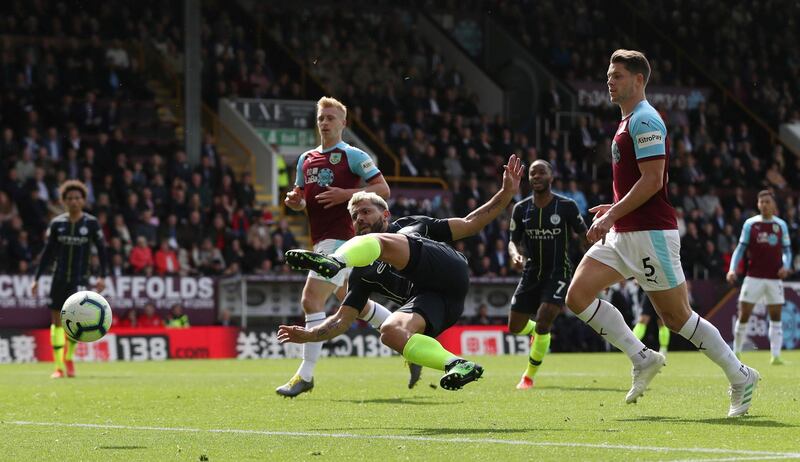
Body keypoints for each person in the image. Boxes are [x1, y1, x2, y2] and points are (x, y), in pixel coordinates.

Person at [564, 50, 759, 417]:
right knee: (577, 296)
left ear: (639, 80)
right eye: (608, 75)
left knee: (677, 318)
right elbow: (639, 182)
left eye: (617, 75)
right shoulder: (626, 121)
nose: (610, 81)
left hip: (651, 233)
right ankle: (642, 357)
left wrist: (612, 215)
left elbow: (654, 181)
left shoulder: (646, 119)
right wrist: (614, 208)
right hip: (625, 232)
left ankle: (741, 375)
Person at [278, 155, 524, 391]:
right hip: (438, 303)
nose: (359, 219)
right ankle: (457, 365)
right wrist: (308, 335)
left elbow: (471, 224)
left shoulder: (413, 224)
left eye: (366, 212)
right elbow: (343, 319)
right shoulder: (361, 273)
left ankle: (333, 261)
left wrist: (506, 194)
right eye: (354, 216)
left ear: (385, 214)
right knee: (390, 331)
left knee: (382, 242)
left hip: (449, 270)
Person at [277, 96, 392, 397]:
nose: (325, 122)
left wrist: (346, 195)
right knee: (354, 302)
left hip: (344, 239)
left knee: (311, 301)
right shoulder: (305, 160)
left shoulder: (352, 155)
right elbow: (304, 199)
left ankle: (305, 375)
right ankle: (405, 337)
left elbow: (383, 189)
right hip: (321, 239)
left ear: (343, 123)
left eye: (331, 117)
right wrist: (296, 202)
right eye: (321, 118)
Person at [507, 159, 587, 389]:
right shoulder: (521, 209)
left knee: (544, 320)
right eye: (533, 173)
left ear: (551, 177)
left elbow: (583, 237)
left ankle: (528, 376)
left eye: (541, 172)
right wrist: (514, 255)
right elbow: (513, 242)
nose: (536, 176)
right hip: (531, 272)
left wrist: (597, 265)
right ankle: (534, 332)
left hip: (559, 271)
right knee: (514, 327)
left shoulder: (567, 206)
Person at [31, 180, 108, 378]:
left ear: (83, 200)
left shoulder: (91, 223)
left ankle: (69, 358)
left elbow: (102, 250)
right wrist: (37, 278)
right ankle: (58, 367)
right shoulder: (57, 224)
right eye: (70, 198)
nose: (74, 201)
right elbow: (47, 253)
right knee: (56, 321)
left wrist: (103, 275)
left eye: (77, 198)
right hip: (59, 278)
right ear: (64, 201)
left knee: (75, 321)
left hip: (80, 279)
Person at [726, 190, 791, 365]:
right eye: (761, 202)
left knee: (776, 315)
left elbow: (786, 250)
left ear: (774, 205)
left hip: (774, 278)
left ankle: (775, 356)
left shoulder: (780, 226)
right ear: (757, 204)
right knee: (744, 314)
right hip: (753, 277)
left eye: (767, 202)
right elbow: (740, 249)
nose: (764, 205)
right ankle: (736, 352)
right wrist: (732, 269)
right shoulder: (750, 224)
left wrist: (785, 265)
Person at [631, 290, 670, 356]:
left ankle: (663, 349)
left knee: (662, 322)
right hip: (648, 291)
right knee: (643, 320)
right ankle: (633, 345)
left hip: (662, 291)